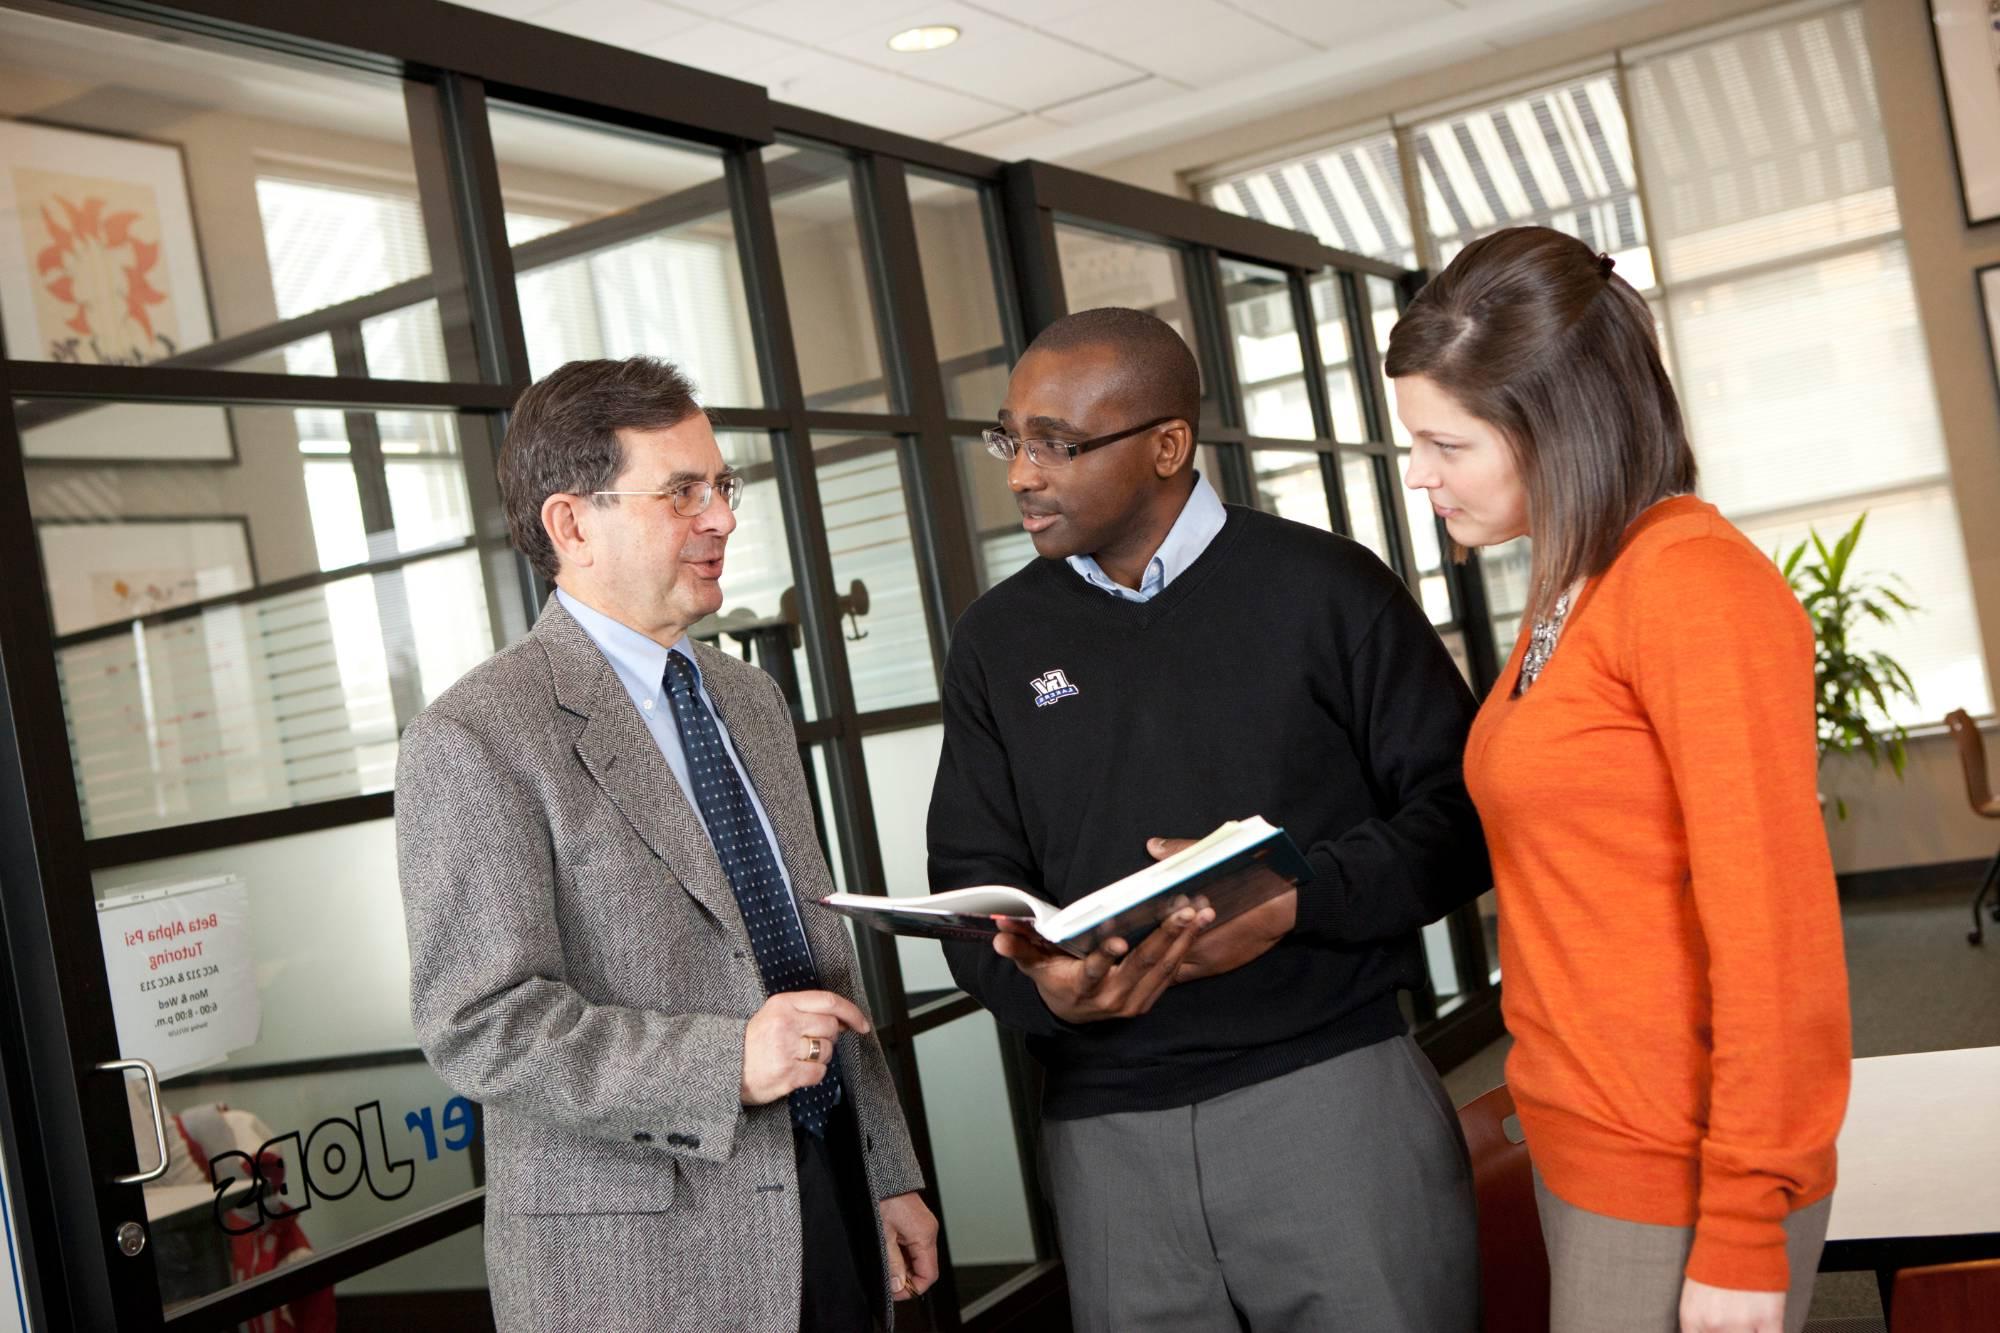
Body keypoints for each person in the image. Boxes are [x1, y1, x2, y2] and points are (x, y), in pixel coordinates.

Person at [929, 306, 1490, 1332]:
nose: (1020, 473)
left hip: (1329, 1100)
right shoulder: (994, 641)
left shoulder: (1327, 588)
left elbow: (1464, 815)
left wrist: (1293, 897)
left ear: (1165, 446)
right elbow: (968, 881)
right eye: (1010, 437)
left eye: (1057, 443)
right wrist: (1044, 987)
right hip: (1105, 1143)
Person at [395, 356, 938, 1332]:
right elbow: (479, 1022)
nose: (721, 515)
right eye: (680, 491)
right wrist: (723, 1062)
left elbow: (811, 959)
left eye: (721, 485)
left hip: (827, 1196)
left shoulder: (747, 698)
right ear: (572, 524)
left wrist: (883, 1167)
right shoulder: (477, 736)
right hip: (642, 1267)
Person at [1389, 225, 1851, 1333]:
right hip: (1585, 1137)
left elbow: (1773, 935)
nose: (1420, 475)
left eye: (1444, 443)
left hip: (1674, 1171)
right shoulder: (1577, 583)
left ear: (1555, 426)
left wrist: (1742, 1222)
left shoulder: (1688, 588)